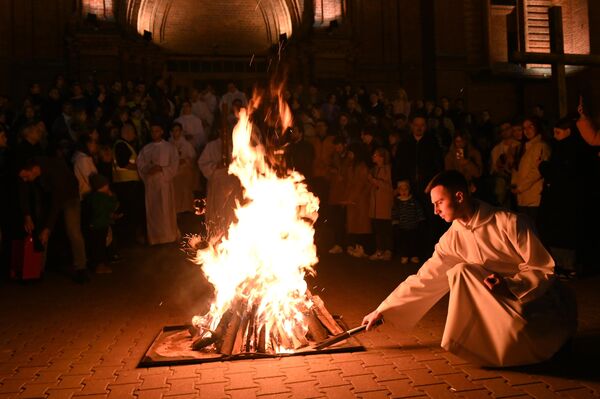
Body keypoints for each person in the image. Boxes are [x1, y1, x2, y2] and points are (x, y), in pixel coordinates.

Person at [362, 170, 577, 367]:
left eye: (440, 202)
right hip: (499, 307)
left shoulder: (510, 223)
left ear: (459, 196)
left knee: (463, 271)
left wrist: (510, 285)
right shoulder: (451, 239)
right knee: (459, 272)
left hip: (534, 304)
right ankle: (484, 342)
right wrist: (384, 310)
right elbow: (425, 278)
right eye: (433, 205)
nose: (435, 211)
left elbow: (542, 268)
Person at [18, 157, 88, 283]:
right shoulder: (31, 175)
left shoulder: (55, 170)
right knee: (42, 232)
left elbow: (57, 202)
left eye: (26, 176)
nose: (25, 180)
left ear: (34, 170)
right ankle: (38, 271)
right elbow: (24, 193)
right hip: (50, 199)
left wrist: (48, 228)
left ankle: (81, 269)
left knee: (73, 231)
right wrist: (27, 215)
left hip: (69, 196)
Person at [136, 121, 180, 245]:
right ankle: (155, 237)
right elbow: (140, 164)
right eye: (152, 131)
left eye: (157, 131)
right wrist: (149, 169)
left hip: (164, 182)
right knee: (153, 210)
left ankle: (169, 236)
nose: (154, 133)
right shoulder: (146, 149)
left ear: (161, 132)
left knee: (166, 209)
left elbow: (174, 164)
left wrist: (162, 169)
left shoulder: (169, 148)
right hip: (151, 184)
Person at [86, 173, 118, 274]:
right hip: (102, 225)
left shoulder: (91, 197)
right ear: (102, 186)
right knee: (100, 246)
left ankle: (94, 264)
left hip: (94, 225)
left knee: (95, 245)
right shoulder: (103, 198)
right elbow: (112, 206)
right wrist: (112, 196)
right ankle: (100, 266)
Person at [367, 147, 393, 261]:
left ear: (382, 157)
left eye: (376, 155)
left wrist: (374, 180)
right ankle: (379, 250)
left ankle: (387, 251)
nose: (373, 157)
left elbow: (388, 186)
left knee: (386, 228)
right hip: (375, 204)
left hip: (384, 204)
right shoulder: (374, 169)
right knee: (378, 229)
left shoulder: (388, 169)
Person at [392, 179, 425, 264]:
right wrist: (395, 222)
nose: (403, 191)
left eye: (405, 189)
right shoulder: (397, 202)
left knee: (413, 241)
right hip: (402, 227)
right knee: (403, 242)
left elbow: (419, 210)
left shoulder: (413, 201)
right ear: (398, 190)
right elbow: (395, 212)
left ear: (409, 189)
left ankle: (414, 255)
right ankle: (405, 255)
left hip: (413, 226)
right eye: (401, 189)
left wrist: (421, 219)